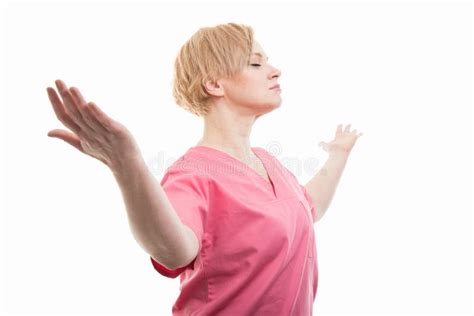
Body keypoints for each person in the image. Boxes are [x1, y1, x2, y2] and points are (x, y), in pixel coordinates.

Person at [46, 22, 362, 315]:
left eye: (268, 61)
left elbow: (308, 207)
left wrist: (338, 154)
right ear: (213, 84)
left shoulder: (269, 161)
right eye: (256, 63)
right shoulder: (193, 175)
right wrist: (127, 166)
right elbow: (174, 251)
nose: (275, 71)